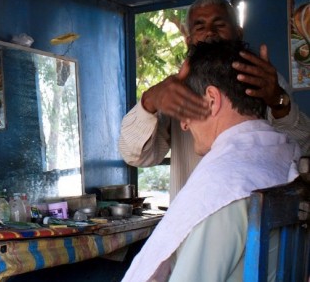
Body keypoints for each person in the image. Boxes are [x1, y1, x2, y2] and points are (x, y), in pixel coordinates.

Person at [122, 39, 300, 282]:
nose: (183, 124)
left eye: (186, 107)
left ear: (212, 100)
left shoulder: (224, 192)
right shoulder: (286, 159)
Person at [118, 0, 310, 200]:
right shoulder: (173, 90)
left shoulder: (265, 80)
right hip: (196, 215)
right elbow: (134, 155)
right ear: (188, 40)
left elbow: (300, 149)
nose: (210, 33)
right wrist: (149, 101)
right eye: (200, 27)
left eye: (220, 25)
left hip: (256, 214)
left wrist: (278, 101)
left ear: (238, 33)